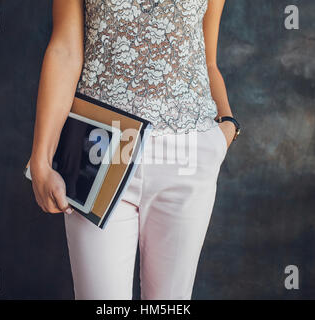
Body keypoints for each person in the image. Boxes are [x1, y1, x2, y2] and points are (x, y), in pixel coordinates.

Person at [29, 0, 240, 300]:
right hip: (100, 148)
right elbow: (65, 49)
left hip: (189, 153)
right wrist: (41, 157)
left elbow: (208, 61)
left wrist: (228, 125)